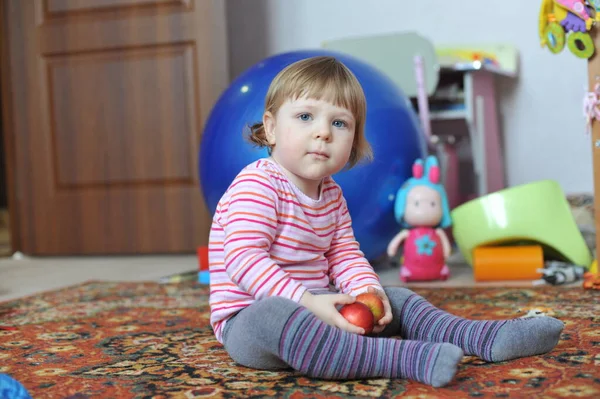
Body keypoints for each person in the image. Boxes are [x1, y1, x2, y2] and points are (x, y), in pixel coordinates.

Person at [208, 56, 564, 388]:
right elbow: (244, 259)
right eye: (305, 117)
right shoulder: (258, 184)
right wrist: (307, 302)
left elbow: (344, 254)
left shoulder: (331, 195)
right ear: (270, 128)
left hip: (323, 308)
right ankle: (400, 359)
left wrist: (368, 292)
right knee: (275, 314)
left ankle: (480, 337)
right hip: (252, 321)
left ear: (354, 139)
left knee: (398, 299)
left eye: (339, 122)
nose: (323, 132)